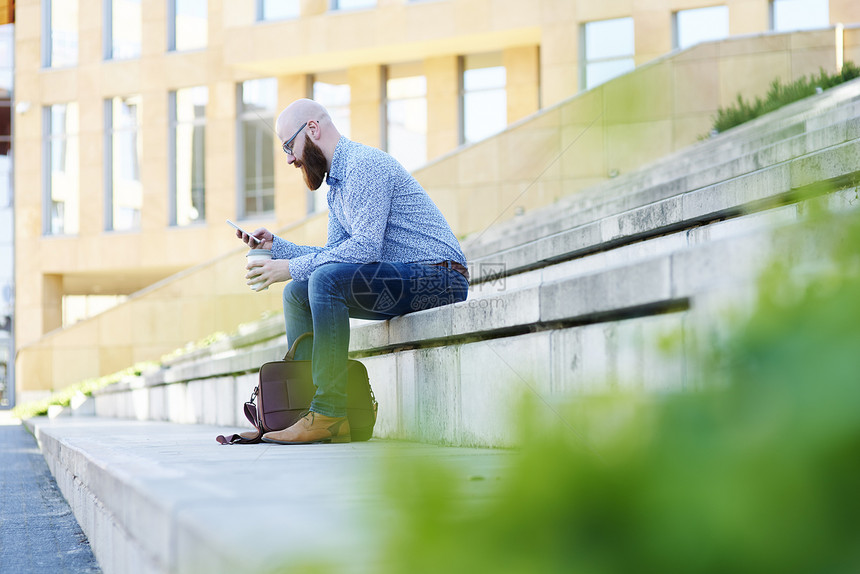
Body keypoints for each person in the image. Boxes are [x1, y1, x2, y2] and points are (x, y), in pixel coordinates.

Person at [236, 98, 469, 445]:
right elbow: (334, 255)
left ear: (312, 129)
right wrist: (278, 247)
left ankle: (328, 412)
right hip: (400, 277)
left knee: (322, 279)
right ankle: (303, 409)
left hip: (439, 278)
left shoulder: (364, 165)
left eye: (289, 146)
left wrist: (289, 267)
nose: (289, 158)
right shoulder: (338, 187)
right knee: (298, 292)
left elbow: (364, 249)